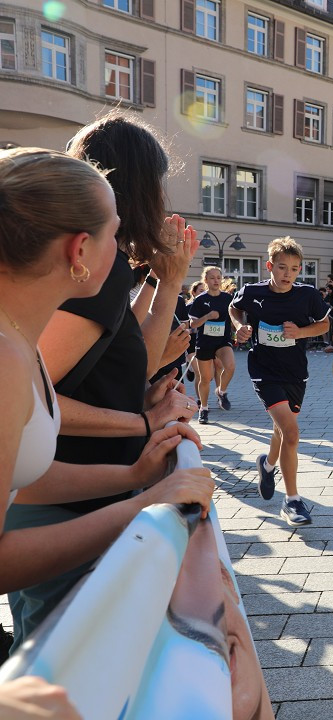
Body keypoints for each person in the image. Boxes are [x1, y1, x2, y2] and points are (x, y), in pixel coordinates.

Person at [0, 147, 214, 648]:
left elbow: (23, 479)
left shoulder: (18, 342)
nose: (124, 249)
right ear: (79, 251)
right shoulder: (7, 357)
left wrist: (134, 477)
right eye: (114, 234)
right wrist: (148, 503)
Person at [231, 237, 330, 526]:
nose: (288, 274)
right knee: (292, 431)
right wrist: (240, 327)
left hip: (295, 371)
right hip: (264, 370)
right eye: (283, 267)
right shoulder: (253, 291)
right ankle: (293, 501)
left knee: (282, 430)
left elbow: (325, 324)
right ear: (270, 266)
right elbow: (235, 309)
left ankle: (267, 464)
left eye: (295, 269)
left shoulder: (307, 295)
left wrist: (300, 332)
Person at [187, 266, 236, 423]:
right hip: (205, 342)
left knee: (230, 366)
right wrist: (207, 316)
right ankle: (204, 409)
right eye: (212, 278)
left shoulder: (228, 299)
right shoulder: (200, 300)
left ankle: (221, 392)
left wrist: (239, 328)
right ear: (205, 280)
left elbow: (235, 316)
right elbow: (193, 324)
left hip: (222, 341)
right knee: (205, 378)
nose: (216, 280)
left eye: (218, 277)